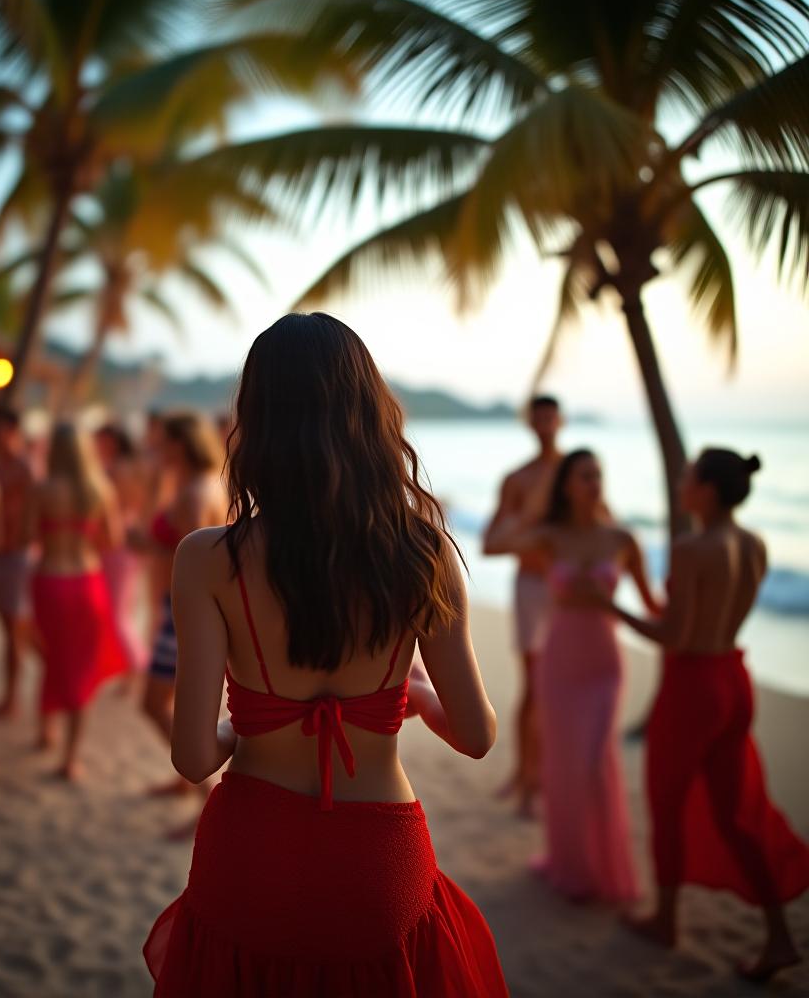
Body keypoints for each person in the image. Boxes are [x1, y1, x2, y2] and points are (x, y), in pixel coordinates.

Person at [144, 313, 507, 997]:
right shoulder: (425, 554)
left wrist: (252, 720)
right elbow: (478, 736)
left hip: (253, 854)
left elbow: (192, 758)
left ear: (254, 419)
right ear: (370, 414)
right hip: (378, 859)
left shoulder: (206, 559)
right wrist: (416, 696)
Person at [584, 449, 809, 980]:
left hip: (692, 688)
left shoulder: (690, 548)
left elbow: (675, 636)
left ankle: (665, 920)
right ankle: (777, 935)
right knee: (735, 811)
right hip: (734, 677)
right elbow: (707, 619)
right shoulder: (754, 544)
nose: (681, 483)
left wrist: (609, 607)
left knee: (667, 801)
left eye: (688, 477)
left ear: (706, 489)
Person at [488, 449, 659, 903]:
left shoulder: (624, 539)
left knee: (594, 763)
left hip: (603, 663)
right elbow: (491, 544)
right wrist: (529, 498)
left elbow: (654, 604)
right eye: (585, 476)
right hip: (559, 661)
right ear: (566, 485)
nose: (594, 483)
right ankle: (571, 867)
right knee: (564, 766)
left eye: (598, 475)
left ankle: (604, 870)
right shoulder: (549, 537)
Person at [129, 412, 227, 802]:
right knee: (170, 703)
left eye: (164, 441)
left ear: (180, 445)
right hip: (188, 611)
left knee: (153, 703)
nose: (156, 447)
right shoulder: (208, 484)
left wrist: (145, 545)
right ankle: (189, 783)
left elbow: (194, 560)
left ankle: (206, 794)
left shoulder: (193, 494)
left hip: (184, 613)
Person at [28, 423, 127, 780]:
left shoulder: (42, 489)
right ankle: (71, 756)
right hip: (86, 582)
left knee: (53, 654)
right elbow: (113, 540)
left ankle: (46, 730)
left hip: (50, 581)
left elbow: (26, 535)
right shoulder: (99, 489)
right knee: (80, 664)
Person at [482, 395, 562, 816]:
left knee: (561, 689)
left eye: (551, 416)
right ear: (530, 423)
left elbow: (603, 530)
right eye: (538, 417)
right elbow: (491, 542)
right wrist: (532, 530)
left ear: (560, 420)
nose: (545, 423)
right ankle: (525, 776)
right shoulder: (519, 478)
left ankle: (546, 777)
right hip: (532, 588)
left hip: (569, 596)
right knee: (533, 687)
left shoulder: (576, 473)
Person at [0, 407, 35, 721]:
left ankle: (13, 699)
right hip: (0, 555)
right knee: (10, 628)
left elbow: (28, 514)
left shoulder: (24, 467)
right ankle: (11, 696)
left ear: (12, 430)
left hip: (17, 555)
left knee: (17, 629)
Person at [94, 422, 147, 672]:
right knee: (119, 609)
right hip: (124, 538)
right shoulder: (130, 467)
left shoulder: (115, 469)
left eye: (101, 440)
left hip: (117, 542)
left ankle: (136, 666)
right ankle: (129, 668)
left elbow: (111, 510)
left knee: (116, 612)